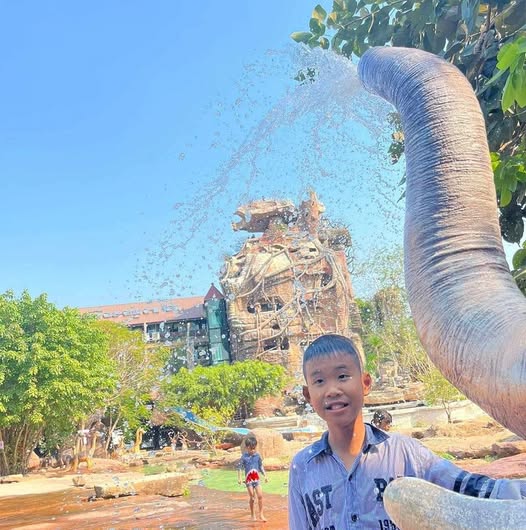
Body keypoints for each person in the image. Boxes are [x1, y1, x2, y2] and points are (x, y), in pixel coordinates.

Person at [288, 334, 526, 529]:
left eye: (342, 376)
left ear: (365, 383)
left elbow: (464, 486)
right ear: (308, 395)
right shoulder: (302, 467)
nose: (332, 390)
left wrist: (518, 491)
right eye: (319, 381)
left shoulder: (405, 452)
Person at [237, 435, 268, 522]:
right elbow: (239, 467)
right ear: (247, 447)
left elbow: (260, 466)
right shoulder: (244, 457)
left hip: (256, 479)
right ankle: (252, 514)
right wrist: (239, 478)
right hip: (249, 480)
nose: (253, 450)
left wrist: (265, 475)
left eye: (254, 448)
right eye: (251, 449)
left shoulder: (257, 456)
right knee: (252, 497)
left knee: (260, 496)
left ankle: (261, 514)